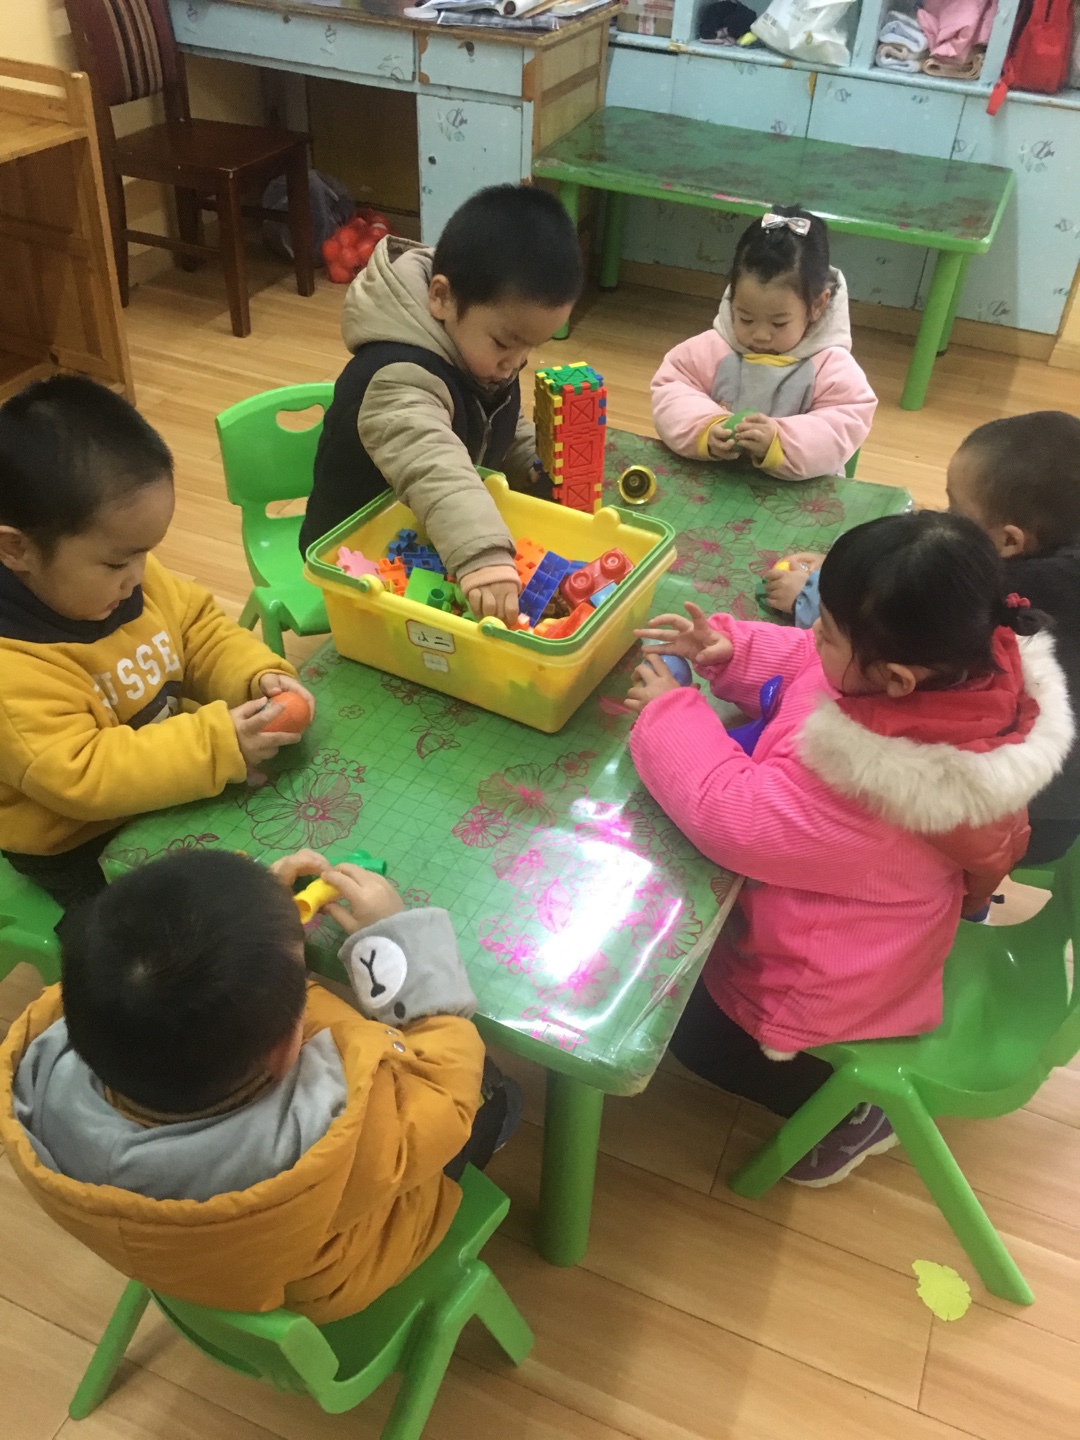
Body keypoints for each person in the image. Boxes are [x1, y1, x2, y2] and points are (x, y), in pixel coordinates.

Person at [624, 512, 1073, 1185]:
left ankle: (851, 1110)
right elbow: (813, 666)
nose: (812, 634)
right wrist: (731, 650)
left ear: (895, 680)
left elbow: (730, 816)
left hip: (823, 978)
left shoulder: (882, 790)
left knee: (690, 1037)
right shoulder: (957, 671)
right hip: (884, 922)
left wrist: (669, 711)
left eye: (827, 629)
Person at [0, 848, 516, 1322]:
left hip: (195, 1262)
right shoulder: (332, 1131)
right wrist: (396, 945)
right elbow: (444, 1096)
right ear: (284, 1050)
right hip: (328, 1275)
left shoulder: (47, 1071)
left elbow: (174, 980)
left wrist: (245, 922)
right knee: (485, 1093)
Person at [0, 376, 312, 932]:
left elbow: (198, 630)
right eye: (117, 563)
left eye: (146, 553)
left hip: (169, 776)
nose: (139, 576)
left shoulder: (121, 578)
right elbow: (85, 775)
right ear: (16, 548)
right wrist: (216, 743)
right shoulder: (12, 670)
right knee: (160, 944)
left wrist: (253, 675)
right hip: (80, 841)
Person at [300, 184, 584, 627]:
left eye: (531, 348)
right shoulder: (397, 376)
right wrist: (483, 554)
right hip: (358, 555)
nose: (515, 363)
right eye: (505, 343)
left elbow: (492, 422)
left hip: (431, 531)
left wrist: (531, 458)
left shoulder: (478, 350)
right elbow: (433, 462)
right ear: (441, 297)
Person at [650, 205, 877, 480]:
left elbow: (844, 423)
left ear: (817, 305)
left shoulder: (830, 366)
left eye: (779, 323)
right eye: (745, 318)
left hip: (799, 495)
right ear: (732, 297)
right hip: (716, 483)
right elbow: (672, 388)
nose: (760, 335)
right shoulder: (714, 348)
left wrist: (779, 440)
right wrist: (706, 426)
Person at [946, 412, 1080, 865]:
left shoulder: (1013, 592)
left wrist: (815, 591)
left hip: (1023, 817)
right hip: (1061, 810)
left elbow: (918, 610)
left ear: (1009, 542)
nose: (946, 519)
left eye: (955, 511)